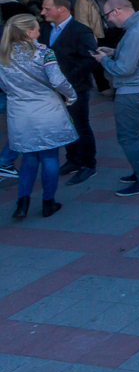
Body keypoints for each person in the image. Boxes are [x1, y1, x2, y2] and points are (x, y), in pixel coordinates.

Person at [0, 14, 77, 219]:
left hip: (19, 113)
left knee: (28, 157)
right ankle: (48, 203)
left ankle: (22, 204)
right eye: (36, 28)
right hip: (46, 110)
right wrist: (71, 95)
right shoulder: (44, 52)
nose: (39, 31)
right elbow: (57, 80)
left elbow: (3, 86)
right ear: (28, 32)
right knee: (50, 157)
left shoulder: (3, 54)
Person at [92, 0, 139, 196]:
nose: (108, 20)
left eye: (107, 15)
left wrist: (103, 60)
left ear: (117, 11)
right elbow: (138, 55)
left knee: (128, 137)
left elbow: (123, 69)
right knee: (133, 134)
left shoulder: (136, 31)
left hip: (133, 91)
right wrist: (114, 52)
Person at [38, 0, 98, 185]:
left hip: (75, 89)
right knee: (64, 125)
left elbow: (90, 60)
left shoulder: (80, 30)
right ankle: (73, 159)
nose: (43, 12)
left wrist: (66, 82)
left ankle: (88, 164)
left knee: (80, 125)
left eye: (47, 8)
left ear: (61, 9)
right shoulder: (45, 29)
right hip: (52, 90)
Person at [76, 0, 115, 95]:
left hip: (114, 30)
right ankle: (103, 86)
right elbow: (82, 20)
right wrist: (89, 37)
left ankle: (119, 84)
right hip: (97, 33)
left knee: (118, 56)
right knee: (97, 60)